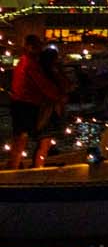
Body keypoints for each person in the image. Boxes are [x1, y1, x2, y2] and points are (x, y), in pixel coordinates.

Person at [8, 32, 70, 168]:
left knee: (21, 138)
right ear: (29, 47)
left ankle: (14, 165)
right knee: (25, 138)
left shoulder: (24, 62)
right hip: (26, 104)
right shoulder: (30, 65)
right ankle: (16, 168)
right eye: (36, 46)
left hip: (21, 102)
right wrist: (59, 96)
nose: (38, 49)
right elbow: (44, 85)